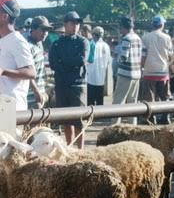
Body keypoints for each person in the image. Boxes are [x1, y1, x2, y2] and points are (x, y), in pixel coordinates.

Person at [0, 0, 35, 113]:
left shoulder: (17, 40)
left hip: (13, 109)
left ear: (4, 16)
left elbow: (31, 72)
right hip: (2, 107)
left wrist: (4, 71)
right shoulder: (4, 40)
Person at [49, 11, 88, 147]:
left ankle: (81, 150)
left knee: (79, 120)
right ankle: (69, 148)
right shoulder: (56, 44)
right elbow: (53, 63)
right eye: (73, 23)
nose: (76, 26)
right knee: (66, 120)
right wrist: (70, 63)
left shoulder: (83, 42)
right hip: (62, 85)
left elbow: (81, 60)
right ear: (65, 24)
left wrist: (63, 62)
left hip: (78, 86)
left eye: (78, 23)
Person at [140, 15, 172, 123]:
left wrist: (142, 68)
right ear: (162, 25)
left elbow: (143, 56)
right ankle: (165, 117)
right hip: (163, 71)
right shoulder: (167, 38)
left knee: (149, 98)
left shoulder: (145, 37)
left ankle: (150, 118)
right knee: (165, 97)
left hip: (149, 71)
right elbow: (170, 56)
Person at [112, 16, 142, 124]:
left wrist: (116, 57)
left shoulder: (126, 38)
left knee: (118, 101)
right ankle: (132, 126)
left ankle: (114, 126)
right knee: (132, 102)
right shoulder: (138, 38)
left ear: (123, 27)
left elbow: (123, 57)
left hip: (125, 74)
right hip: (136, 73)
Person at [27, 16, 53, 109]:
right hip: (31, 96)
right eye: (43, 29)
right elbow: (27, 72)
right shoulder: (28, 46)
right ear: (33, 28)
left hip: (39, 94)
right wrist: (36, 91)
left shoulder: (39, 44)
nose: (45, 33)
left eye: (47, 30)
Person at [86, 26, 111, 106]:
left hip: (91, 78)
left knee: (90, 102)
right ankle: (100, 117)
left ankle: (91, 117)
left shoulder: (91, 45)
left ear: (93, 34)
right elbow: (108, 61)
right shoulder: (106, 46)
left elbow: (88, 60)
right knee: (100, 101)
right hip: (101, 78)